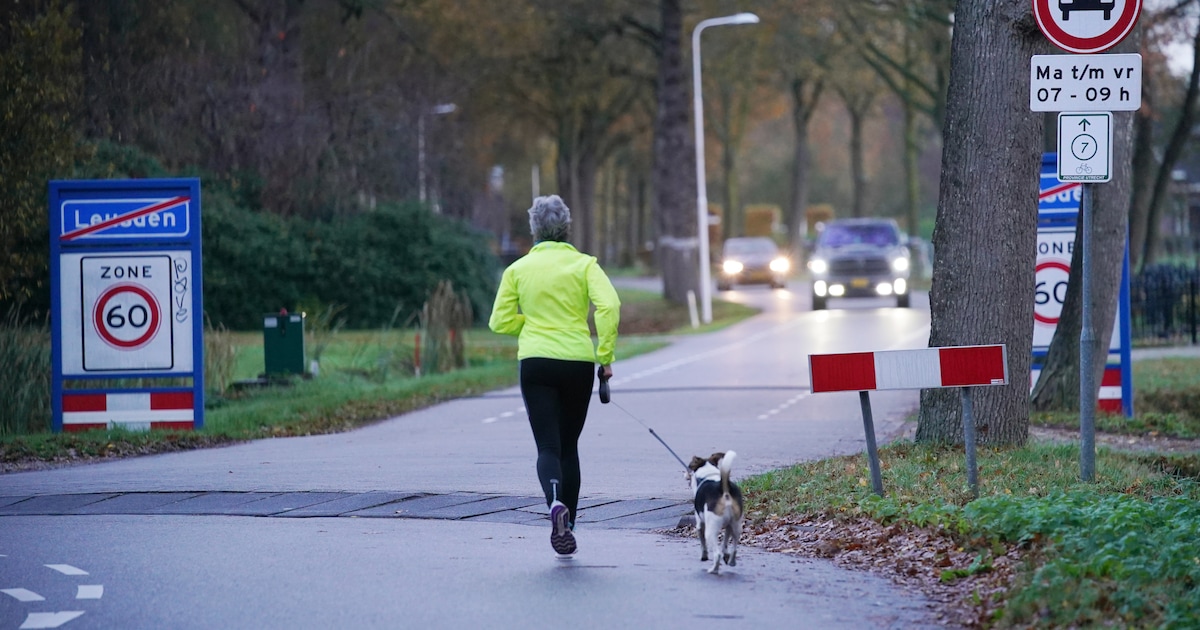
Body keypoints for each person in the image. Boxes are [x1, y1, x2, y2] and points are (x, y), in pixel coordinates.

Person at [488, 195, 621, 557]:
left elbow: (498, 321)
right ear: (566, 228)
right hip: (577, 361)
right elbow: (609, 305)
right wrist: (605, 355)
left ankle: (553, 504)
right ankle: (571, 522)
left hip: (536, 362)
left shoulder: (517, 270)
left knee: (547, 446)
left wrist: (529, 324)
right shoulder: (585, 265)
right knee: (570, 446)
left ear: (534, 230)